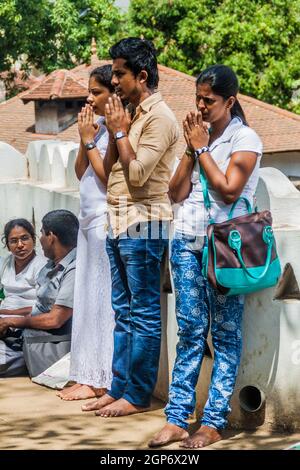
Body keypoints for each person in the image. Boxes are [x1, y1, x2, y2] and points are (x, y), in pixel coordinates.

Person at [149, 64, 263, 448]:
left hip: (227, 246)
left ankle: (213, 420)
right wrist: (189, 148)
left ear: (229, 101)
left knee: (226, 335)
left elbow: (229, 190)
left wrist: (202, 148)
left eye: (209, 101)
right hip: (186, 241)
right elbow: (176, 193)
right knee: (190, 332)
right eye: (197, 98)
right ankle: (177, 418)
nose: (200, 106)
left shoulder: (245, 138)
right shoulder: (198, 138)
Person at [82, 37, 179, 417]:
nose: (115, 80)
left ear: (141, 76)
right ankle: (119, 385)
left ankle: (138, 395)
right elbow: (108, 178)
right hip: (118, 219)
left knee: (143, 313)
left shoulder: (160, 117)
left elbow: (138, 177)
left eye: (120, 74)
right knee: (122, 310)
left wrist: (119, 131)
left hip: (147, 223)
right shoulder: (129, 114)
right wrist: (94, 138)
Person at [57, 65, 115, 401]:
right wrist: (84, 139)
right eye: (89, 93)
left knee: (104, 303)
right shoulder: (99, 128)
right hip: (88, 220)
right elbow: (82, 172)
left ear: (113, 94)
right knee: (88, 300)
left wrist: (91, 139)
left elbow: (106, 177)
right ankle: (86, 372)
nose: (90, 98)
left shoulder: (118, 130)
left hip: (107, 221)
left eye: (96, 92)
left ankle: (102, 377)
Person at [0, 210, 78, 377]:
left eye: (41, 233)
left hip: (41, 344)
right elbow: (39, 308)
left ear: (51, 237)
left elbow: (55, 319)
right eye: (13, 241)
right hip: (22, 335)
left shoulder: (74, 269)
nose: (40, 239)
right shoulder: (50, 267)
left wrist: (10, 320)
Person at [0, 219, 45, 319]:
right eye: (13, 241)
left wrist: (6, 312)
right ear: (7, 246)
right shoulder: (6, 263)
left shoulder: (42, 265)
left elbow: (45, 307)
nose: (20, 245)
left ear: (33, 240)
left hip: (28, 321)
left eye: (24, 238)